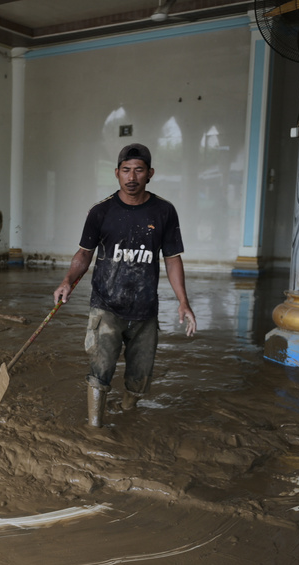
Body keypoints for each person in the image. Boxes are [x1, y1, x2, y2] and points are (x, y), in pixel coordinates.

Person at [53, 143, 196, 428]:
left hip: (145, 310)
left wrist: (183, 301)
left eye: (139, 170)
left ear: (150, 173)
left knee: (139, 377)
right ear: (116, 173)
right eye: (126, 171)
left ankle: (128, 412)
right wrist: (67, 281)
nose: (132, 178)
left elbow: (172, 259)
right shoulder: (101, 212)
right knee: (100, 369)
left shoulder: (164, 212)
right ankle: (95, 429)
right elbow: (84, 254)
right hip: (106, 305)